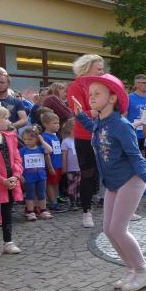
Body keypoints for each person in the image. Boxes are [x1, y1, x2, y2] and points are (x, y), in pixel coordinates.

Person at [72, 73, 146, 291]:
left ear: (112, 98)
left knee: (118, 229)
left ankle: (144, 271)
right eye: (90, 94)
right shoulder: (101, 121)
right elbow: (96, 131)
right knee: (108, 229)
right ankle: (132, 269)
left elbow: (135, 156)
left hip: (131, 180)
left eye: (97, 94)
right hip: (113, 182)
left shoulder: (121, 125)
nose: (91, 97)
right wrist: (80, 116)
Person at [66, 54, 105, 227]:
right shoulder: (75, 86)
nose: (102, 72)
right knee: (87, 174)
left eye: (102, 69)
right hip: (84, 136)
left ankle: (120, 209)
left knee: (112, 171)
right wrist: (96, 110)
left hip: (105, 133)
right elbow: (78, 112)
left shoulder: (103, 85)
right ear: (87, 68)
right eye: (99, 69)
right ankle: (86, 212)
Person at [0, 105, 23, 257]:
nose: (8, 121)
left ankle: (8, 242)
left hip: (10, 183)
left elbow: (17, 159)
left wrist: (16, 176)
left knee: (7, 213)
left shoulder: (10, 137)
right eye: (5, 118)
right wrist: (2, 180)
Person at [18, 126, 53, 220]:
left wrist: (42, 141)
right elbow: (18, 163)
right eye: (25, 139)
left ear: (36, 139)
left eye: (30, 139)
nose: (27, 141)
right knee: (30, 194)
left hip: (41, 176)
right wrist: (20, 175)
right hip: (28, 177)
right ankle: (30, 211)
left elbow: (50, 150)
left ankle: (43, 210)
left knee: (42, 194)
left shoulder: (41, 148)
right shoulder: (22, 151)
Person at [40, 112, 66, 213]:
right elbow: (46, 154)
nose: (58, 125)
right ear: (45, 124)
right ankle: (52, 202)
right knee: (50, 184)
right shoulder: (45, 137)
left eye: (58, 123)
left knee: (56, 183)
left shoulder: (55, 136)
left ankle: (55, 200)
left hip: (57, 164)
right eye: (54, 123)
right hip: (51, 166)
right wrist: (50, 167)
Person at [60, 119, 80, 210]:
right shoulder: (66, 141)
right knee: (72, 185)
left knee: (79, 185)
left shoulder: (79, 140)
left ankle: (79, 200)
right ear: (70, 129)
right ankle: (72, 202)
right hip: (70, 168)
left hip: (79, 167)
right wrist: (64, 167)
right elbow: (64, 155)